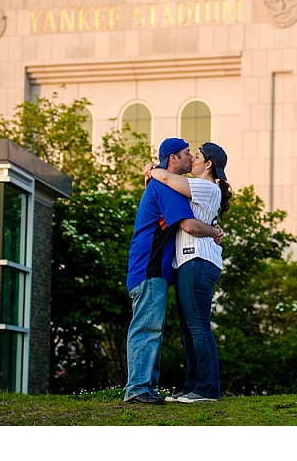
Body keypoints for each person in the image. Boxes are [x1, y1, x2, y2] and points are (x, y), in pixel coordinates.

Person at [124, 138, 224, 404]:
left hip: (161, 266)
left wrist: (154, 170)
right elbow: (189, 225)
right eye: (187, 154)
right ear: (174, 159)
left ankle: (152, 387)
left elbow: (190, 223)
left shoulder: (185, 186)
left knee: (168, 327)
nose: (191, 157)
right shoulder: (166, 186)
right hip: (151, 266)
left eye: (195, 154)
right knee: (149, 328)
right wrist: (215, 231)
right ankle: (139, 388)